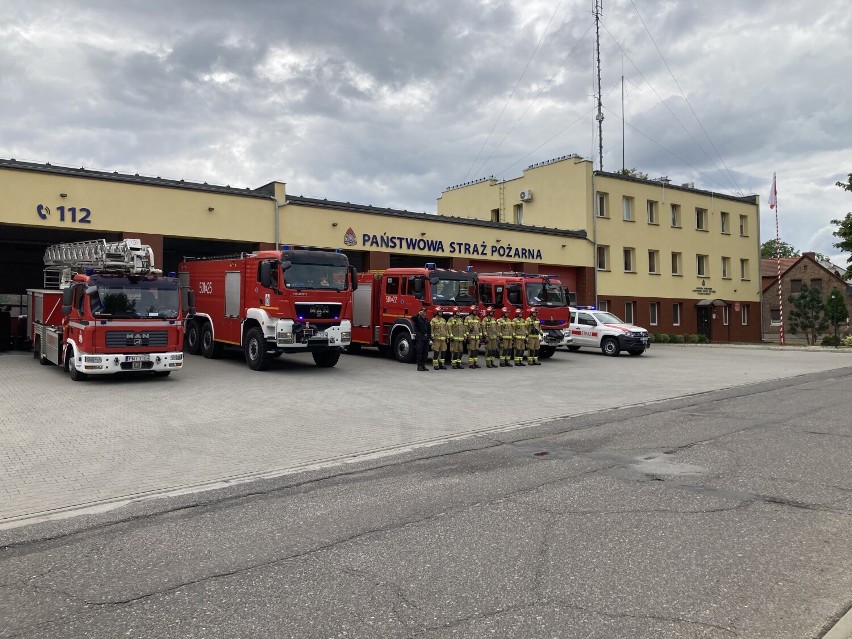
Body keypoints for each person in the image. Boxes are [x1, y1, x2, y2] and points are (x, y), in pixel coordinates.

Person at [412, 305, 431, 371]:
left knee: (425, 352)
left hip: (426, 337)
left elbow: (429, 329)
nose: (424, 312)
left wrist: (429, 337)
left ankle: (423, 365)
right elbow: (413, 318)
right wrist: (418, 314)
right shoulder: (417, 318)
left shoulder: (426, 320)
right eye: (423, 311)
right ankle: (419, 366)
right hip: (420, 336)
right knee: (419, 351)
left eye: (425, 311)